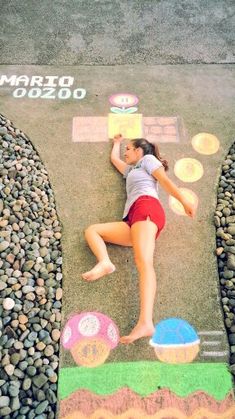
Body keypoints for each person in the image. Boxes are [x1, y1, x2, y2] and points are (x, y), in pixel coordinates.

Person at [82, 134, 195, 344]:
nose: (125, 152)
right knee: (93, 231)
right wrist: (116, 143)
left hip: (147, 207)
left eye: (128, 148)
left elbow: (165, 181)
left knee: (143, 262)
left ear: (139, 151)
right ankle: (105, 262)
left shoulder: (148, 160)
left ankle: (145, 322)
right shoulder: (131, 169)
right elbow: (115, 160)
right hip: (132, 218)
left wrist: (184, 200)